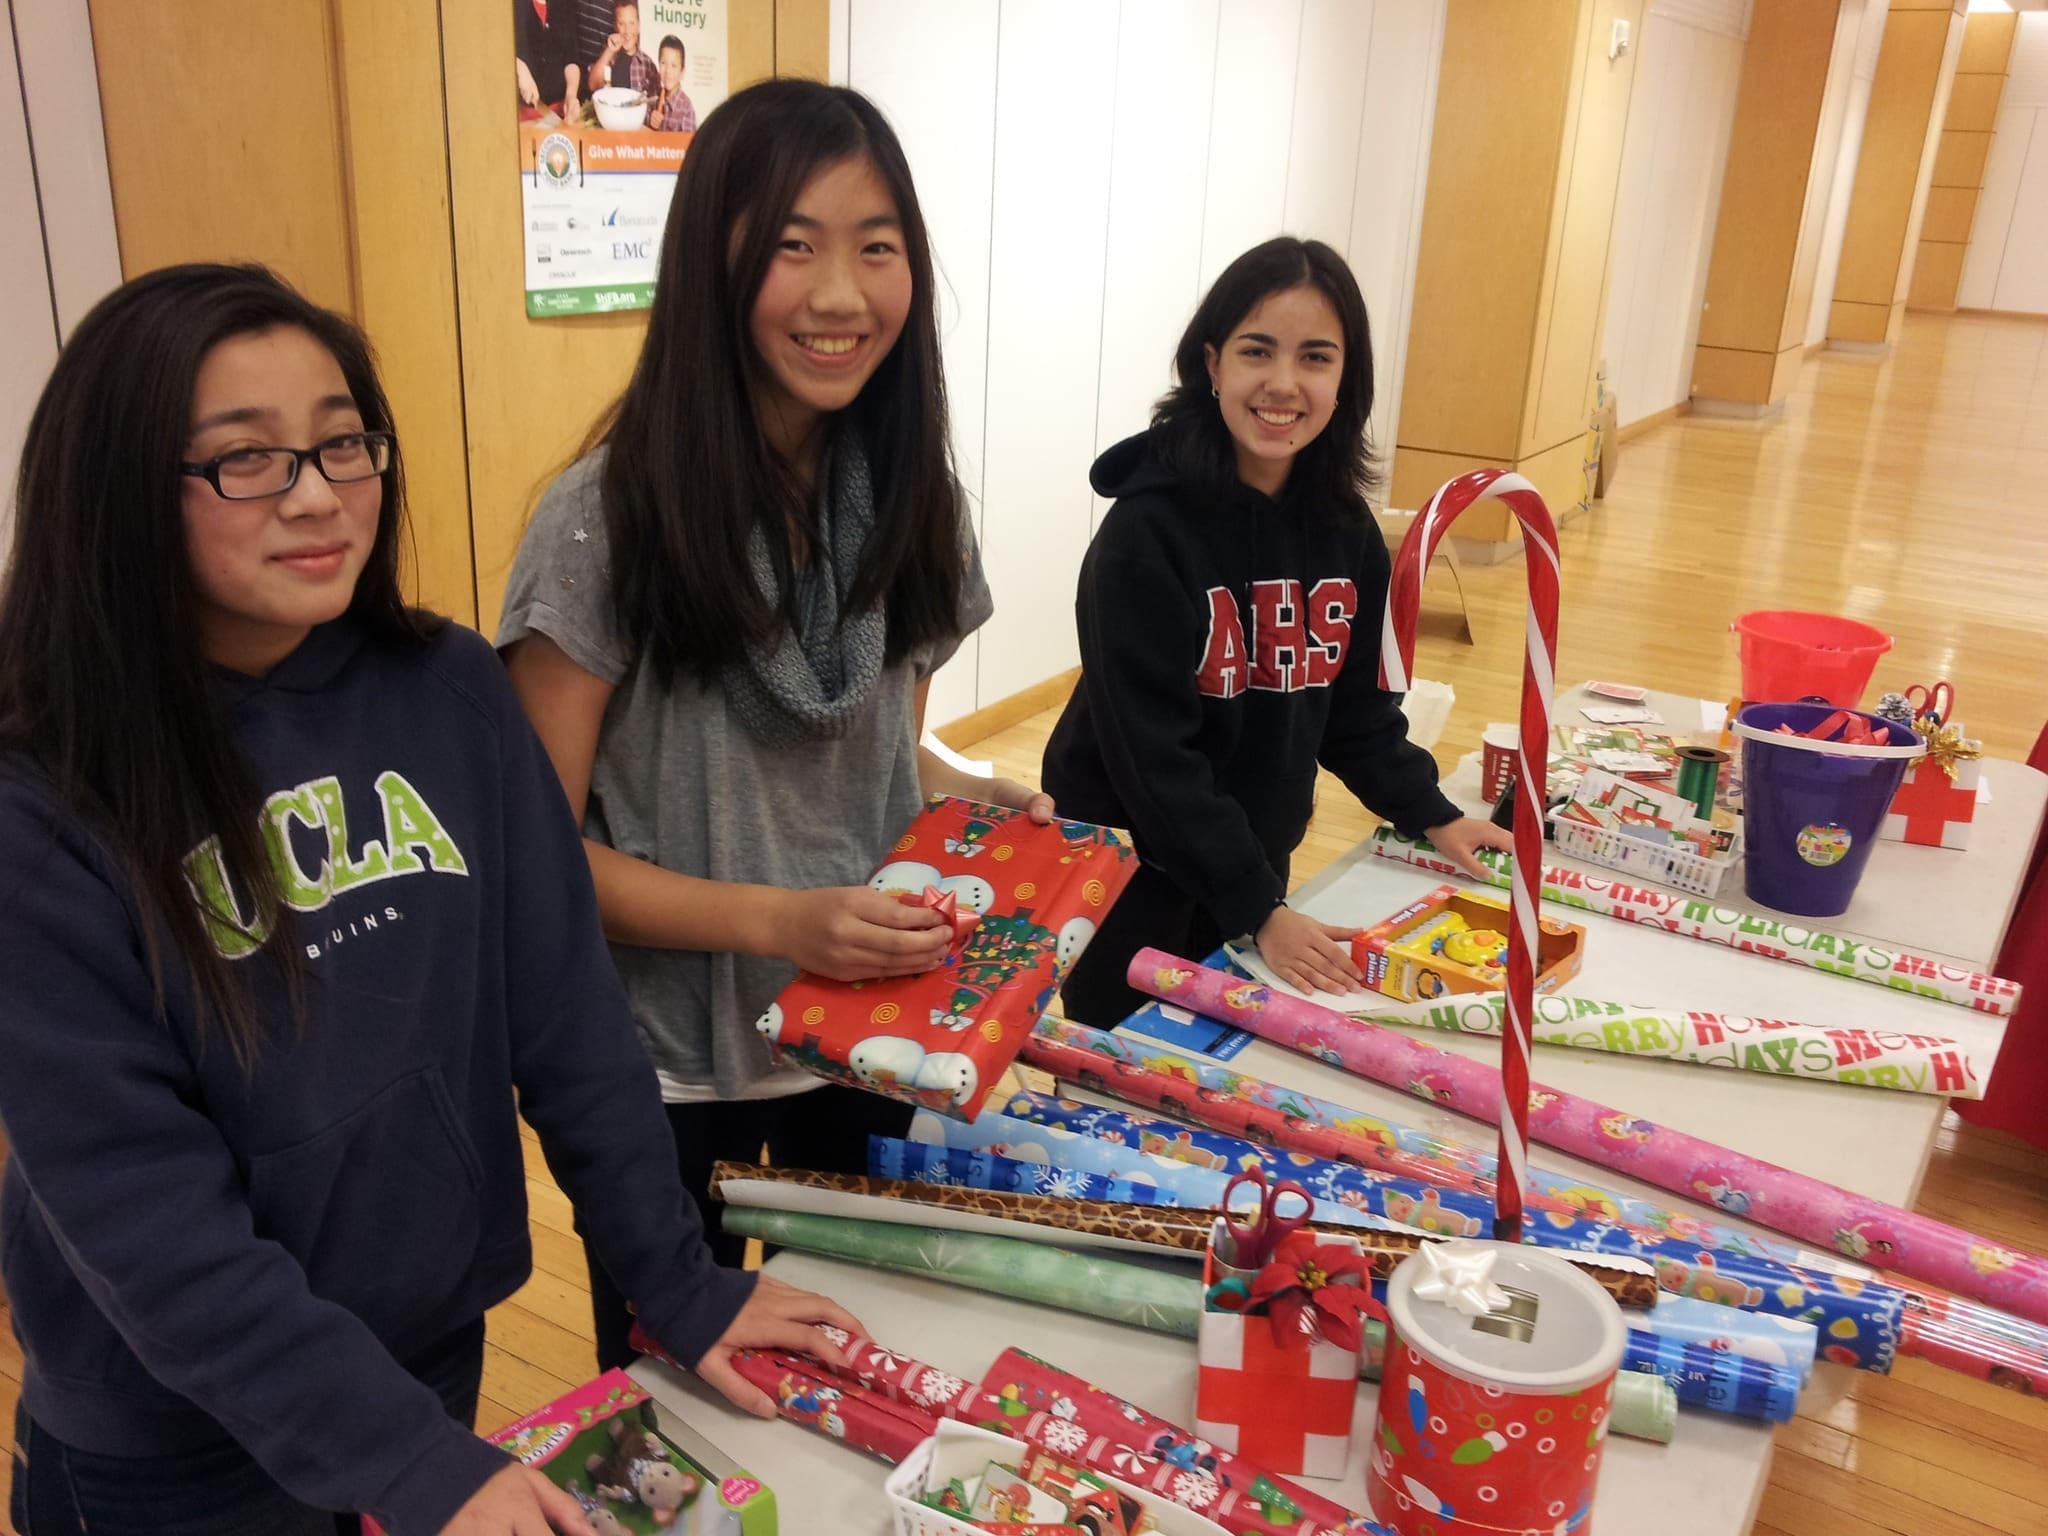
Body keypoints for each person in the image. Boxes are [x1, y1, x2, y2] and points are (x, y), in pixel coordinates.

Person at [0, 263, 861, 1536]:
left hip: (423, 1349)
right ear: (118, 485)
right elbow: (143, 1213)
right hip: (174, 1440)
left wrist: (677, 1281)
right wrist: (402, 1461)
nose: (317, 494)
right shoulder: (42, 799)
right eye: (246, 458)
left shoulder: (446, 690)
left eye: (341, 442)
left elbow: (569, 1021)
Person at [499, 78, 1050, 1368]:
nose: (840, 294)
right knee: (678, 1398)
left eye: (876, 247)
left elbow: (876, 753)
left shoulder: (911, 501)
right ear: (715, 260)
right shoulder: (603, 524)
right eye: (793, 245)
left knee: (859, 1365)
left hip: (870, 1042)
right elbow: (536, 863)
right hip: (668, 1075)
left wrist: (966, 794)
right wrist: (779, 921)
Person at [1041, 237, 1512, 1022]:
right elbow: (1153, 761)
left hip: (1250, 854)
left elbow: (1357, 715)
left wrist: (1432, 810)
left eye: (1315, 357)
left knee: (1232, 1048)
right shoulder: (1143, 537)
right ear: (1212, 363)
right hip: (1126, 865)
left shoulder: (1345, 530)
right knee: (1126, 1058)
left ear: (1345, 378)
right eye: (1257, 351)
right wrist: (1258, 907)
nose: (1284, 383)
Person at [515, 0, 582, 120]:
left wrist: (571, 95)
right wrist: (519, 66)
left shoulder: (565, 4)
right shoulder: (511, 5)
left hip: (559, 111)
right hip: (520, 114)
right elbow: (494, 46)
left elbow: (571, 57)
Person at [590, 1, 658, 99]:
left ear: (638, 26)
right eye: (622, 24)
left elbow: (655, 100)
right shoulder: (609, 55)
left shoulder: (647, 64)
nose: (627, 31)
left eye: (631, 23)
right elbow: (593, 85)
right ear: (615, 26)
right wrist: (609, 51)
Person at [645, 35, 695, 132]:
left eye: (674, 66)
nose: (668, 71)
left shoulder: (686, 109)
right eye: (663, 63)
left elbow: (690, 141)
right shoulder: (654, 98)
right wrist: (650, 120)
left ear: (682, 72)